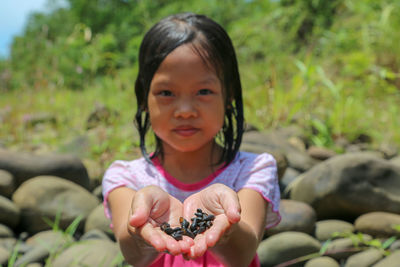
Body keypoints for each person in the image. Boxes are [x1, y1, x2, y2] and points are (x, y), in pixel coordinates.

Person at [102, 12, 281, 267]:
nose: (185, 109)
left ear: (228, 95)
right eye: (166, 92)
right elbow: (134, 254)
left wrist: (227, 224)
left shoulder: (253, 170)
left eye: (203, 91)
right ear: (144, 99)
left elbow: (241, 255)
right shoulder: (125, 178)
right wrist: (141, 226)